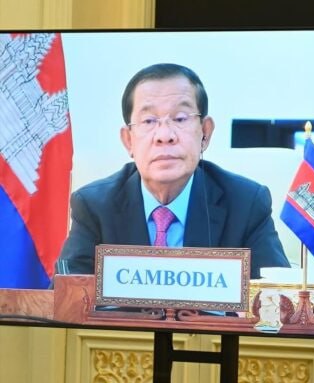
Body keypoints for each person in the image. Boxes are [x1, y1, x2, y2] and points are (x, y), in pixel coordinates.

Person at [58, 63, 289, 278]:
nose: (164, 135)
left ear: (205, 133)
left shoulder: (246, 203)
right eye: (149, 121)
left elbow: (277, 303)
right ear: (128, 140)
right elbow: (64, 302)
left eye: (180, 118)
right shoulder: (95, 206)